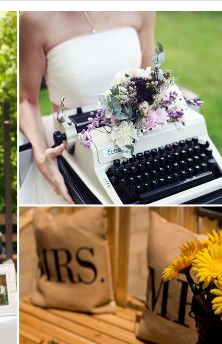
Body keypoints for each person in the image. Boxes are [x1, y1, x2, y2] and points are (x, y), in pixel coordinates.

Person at [19, 12, 155, 204]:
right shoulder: (34, 19)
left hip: (135, 138)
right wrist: (42, 157)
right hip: (72, 144)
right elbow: (26, 100)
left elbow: (148, 80)